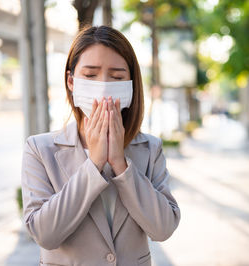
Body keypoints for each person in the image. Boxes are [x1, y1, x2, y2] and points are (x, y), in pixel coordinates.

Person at [21, 25, 181, 266]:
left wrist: (120, 164)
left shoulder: (150, 148)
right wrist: (93, 164)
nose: (104, 87)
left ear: (131, 84)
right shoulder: (40, 149)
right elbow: (44, 234)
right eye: (91, 75)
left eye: (116, 77)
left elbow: (163, 229)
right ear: (71, 81)